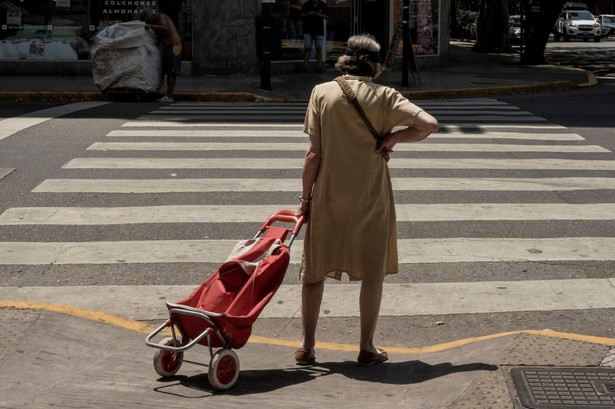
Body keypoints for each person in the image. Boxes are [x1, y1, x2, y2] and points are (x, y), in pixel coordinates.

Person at [294, 34, 438, 367]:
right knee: (372, 273)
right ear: (374, 65)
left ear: (344, 59)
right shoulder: (386, 96)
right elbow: (428, 124)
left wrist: (305, 198)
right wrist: (394, 137)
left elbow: (313, 154)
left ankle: (307, 345)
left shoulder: (322, 92)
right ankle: (366, 347)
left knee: (313, 272)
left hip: (328, 196)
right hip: (371, 197)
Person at [145, 11, 182, 103]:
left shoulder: (161, 16)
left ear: (152, 15)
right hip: (167, 48)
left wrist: (151, 26)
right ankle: (163, 93)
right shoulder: (155, 22)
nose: (149, 22)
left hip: (174, 47)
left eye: (150, 20)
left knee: (171, 72)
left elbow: (166, 27)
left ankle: (169, 96)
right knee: (165, 71)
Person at [301, 0, 328, 72]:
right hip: (308, 30)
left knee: (319, 49)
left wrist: (319, 14)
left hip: (319, 30)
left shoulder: (323, 4)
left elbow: (327, 16)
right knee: (307, 48)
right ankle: (305, 67)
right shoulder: (307, 4)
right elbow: (301, 15)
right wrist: (309, 14)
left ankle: (319, 67)